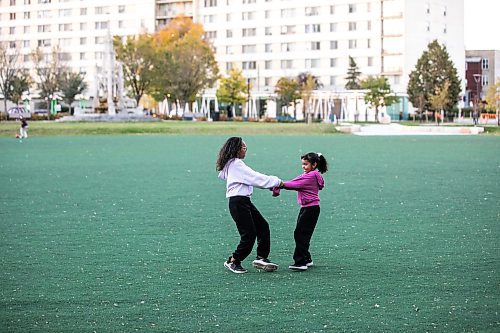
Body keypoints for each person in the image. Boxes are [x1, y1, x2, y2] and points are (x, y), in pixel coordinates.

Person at [216, 137, 283, 274]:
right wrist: (277, 182)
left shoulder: (231, 164)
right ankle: (233, 261)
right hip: (238, 202)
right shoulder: (236, 164)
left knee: (263, 226)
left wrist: (271, 186)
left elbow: (249, 180)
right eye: (244, 148)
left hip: (243, 202)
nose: (245, 150)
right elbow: (255, 178)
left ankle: (261, 257)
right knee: (249, 234)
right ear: (237, 149)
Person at [272, 152, 328, 271]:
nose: (303, 166)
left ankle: (300, 262)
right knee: (302, 234)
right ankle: (307, 259)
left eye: (306, 164)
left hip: (310, 209)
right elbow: (295, 182)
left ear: (314, 164)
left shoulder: (310, 176)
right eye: (302, 164)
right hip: (308, 208)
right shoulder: (311, 175)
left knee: (301, 234)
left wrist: (278, 184)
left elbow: (295, 184)